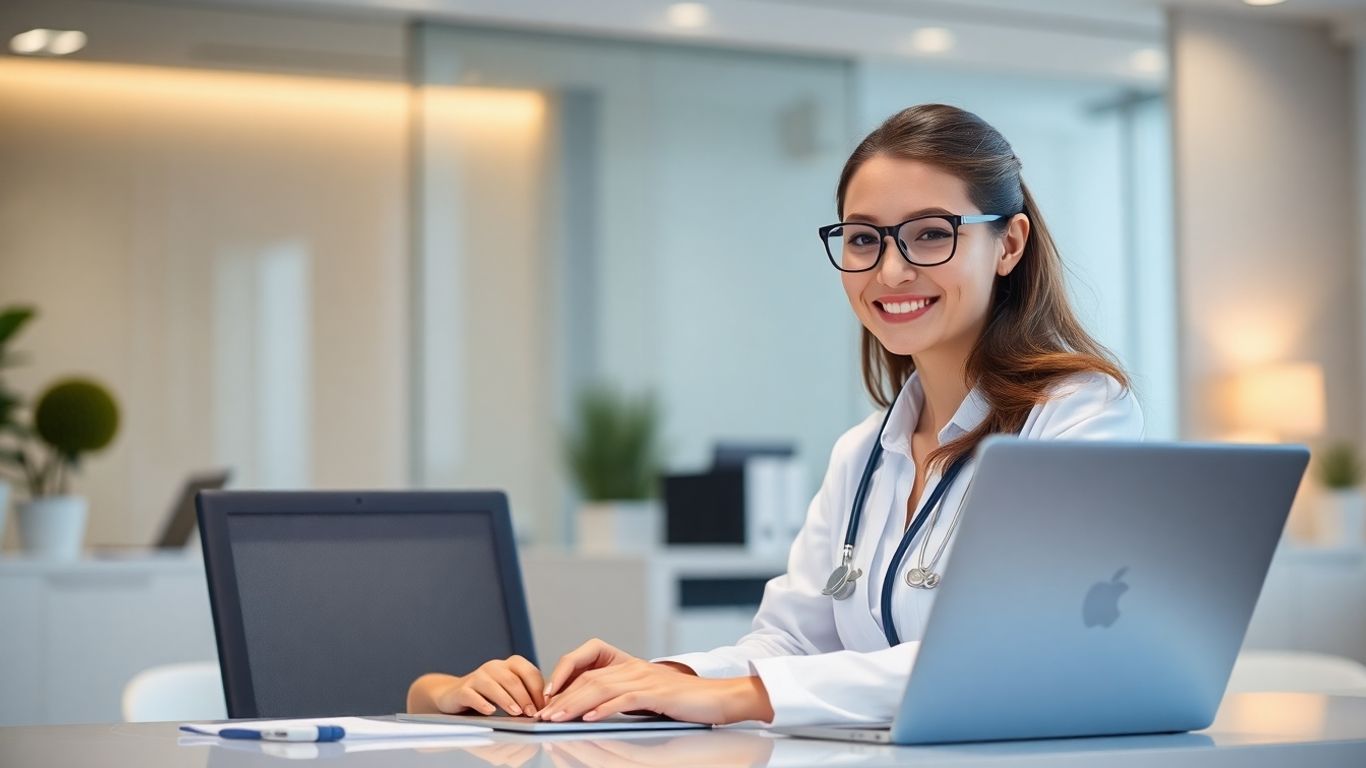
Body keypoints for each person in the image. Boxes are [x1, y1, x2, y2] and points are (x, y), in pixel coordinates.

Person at [406, 103, 1144, 727]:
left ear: (1008, 243)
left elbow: (1010, 655)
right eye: (863, 238)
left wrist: (734, 696)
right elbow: (791, 645)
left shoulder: (1080, 416)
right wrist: (653, 677)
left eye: (929, 233)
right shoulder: (863, 454)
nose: (890, 271)